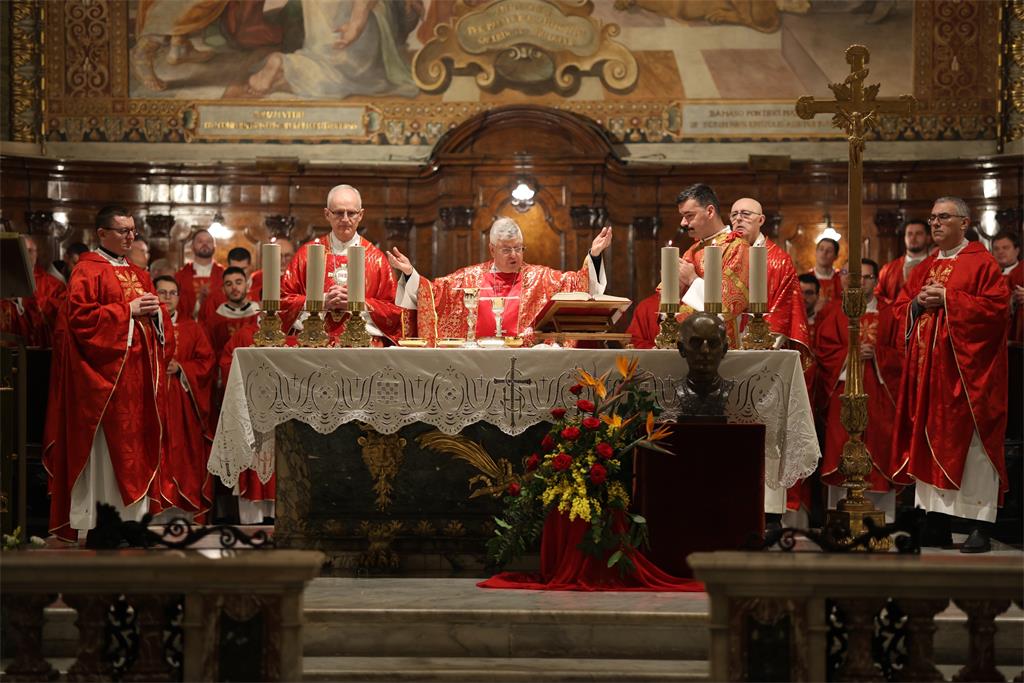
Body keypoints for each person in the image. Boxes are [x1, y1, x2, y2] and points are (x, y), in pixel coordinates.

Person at [43, 205, 172, 542]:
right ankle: (103, 521)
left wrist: (156, 315)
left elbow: (159, 319)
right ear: (102, 233)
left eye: (133, 231)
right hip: (104, 384)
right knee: (106, 456)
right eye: (123, 231)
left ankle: (134, 521)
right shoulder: (87, 271)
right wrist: (127, 311)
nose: (131, 237)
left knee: (136, 451)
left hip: (138, 384)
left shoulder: (139, 273)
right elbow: (81, 321)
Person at [891, 197, 1010, 553]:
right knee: (930, 440)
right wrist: (916, 305)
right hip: (928, 376)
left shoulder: (982, 263)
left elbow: (997, 311)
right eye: (932, 218)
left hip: (968, 377)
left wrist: (949, 299)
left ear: (965, 223)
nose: (935, 224)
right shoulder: (926, 265)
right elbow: (899, 309)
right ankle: (937, 522)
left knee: (973, 449)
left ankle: (979, 524)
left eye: (943, 217)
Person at [388, 217, 612, 346]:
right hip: (478, 365)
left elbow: (577, 284)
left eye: (518, 248)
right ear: (492, 249)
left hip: (524, 364)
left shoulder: (540, 279)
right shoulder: (468, 279)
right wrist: (410, 273)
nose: (514, 255)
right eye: (506, 249)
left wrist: (594, 255)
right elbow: (432, 293)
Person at [816, 259, 901, 521]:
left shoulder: (890, 313)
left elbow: (904, 353)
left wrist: (878, 354)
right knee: (841, 447)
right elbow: (823, 351)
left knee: (880, 447)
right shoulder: (833, 311)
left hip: (880, 394)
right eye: (855, 276)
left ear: (876, 281)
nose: (860, 282)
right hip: (844, 391)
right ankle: (839, 516)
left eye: (866, 277)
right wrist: (850, 352)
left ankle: (881, 519)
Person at [627, 184, 748, 348]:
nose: (683, 223)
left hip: (718, 346)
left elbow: (729, 306)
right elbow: (667, 302)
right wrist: (673, 289)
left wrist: (692, 280)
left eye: (689, 215)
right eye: (683, 216)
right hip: (686, 345)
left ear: (710, 211)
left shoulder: (737, 248)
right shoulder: (693, 250)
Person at [281, 185, 400, 343]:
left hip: (363, 346)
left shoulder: (376, 259)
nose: (345, 219)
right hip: (314, 345)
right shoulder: (306, 255)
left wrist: (359, 305)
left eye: (351, 213)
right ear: (327, 214)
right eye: (338, 213)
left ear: (360, 215)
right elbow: (284, 301)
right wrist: (321, 302)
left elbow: (393, 311)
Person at [154, 275, 215, 522]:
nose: (167, 298)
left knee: (182, 453)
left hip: (183, 406)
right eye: (162, 292)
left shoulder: (192, 328)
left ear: (179, 297)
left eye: (172, 293)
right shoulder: (143, 325)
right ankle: (153, 510)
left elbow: (207, 362)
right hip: (152, 402)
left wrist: (182, 368)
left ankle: (184, 509)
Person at [729, 197, 811, 355]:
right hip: (728, 345)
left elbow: (784, 308)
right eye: (734, 215)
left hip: (765, 349)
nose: (738, 218)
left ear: (761, 220)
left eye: (745, 214)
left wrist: (763, 346)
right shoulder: (723, 257)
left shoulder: (779, 261)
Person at [205, 267, 261, 361]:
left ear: (247, 286)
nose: (234, 287)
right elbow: (210, 353)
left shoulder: (259, 315)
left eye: (238, 282)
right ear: (223, 289)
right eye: (229, 284)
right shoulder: (215, 320)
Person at [876, 219, 931, 307]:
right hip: (895, 313)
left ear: (928, 238)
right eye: (909, 234)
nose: (913, 238)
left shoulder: (936, 265)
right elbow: (877, 296)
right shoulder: (888, 269)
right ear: (904, 238)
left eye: (918, 234)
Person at [175, 229, 224, 322]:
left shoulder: (224, 275)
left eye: (209, 241)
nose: (205, 244)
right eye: (200, 241)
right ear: (192, 246)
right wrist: (198, 303)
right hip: (188, 325)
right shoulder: (180, 276)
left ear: (215, 246)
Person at [992, 231, 1023, 344]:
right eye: (996, 249)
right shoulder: (988, 275)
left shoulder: (1021, 271)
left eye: (1005, 248)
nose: (1000, 252)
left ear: (1017, 250)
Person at [249, 238, 295, 302]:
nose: (283, 261)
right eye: (279, 255)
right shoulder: (257, 277)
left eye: (287, 256)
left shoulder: (299, 278)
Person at [808, 237, 844, 310]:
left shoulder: (842, 278)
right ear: (816, 253)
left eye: (829, 250)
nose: (824, 253)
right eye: (821, 249)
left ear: (836, 256)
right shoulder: (807, 279)